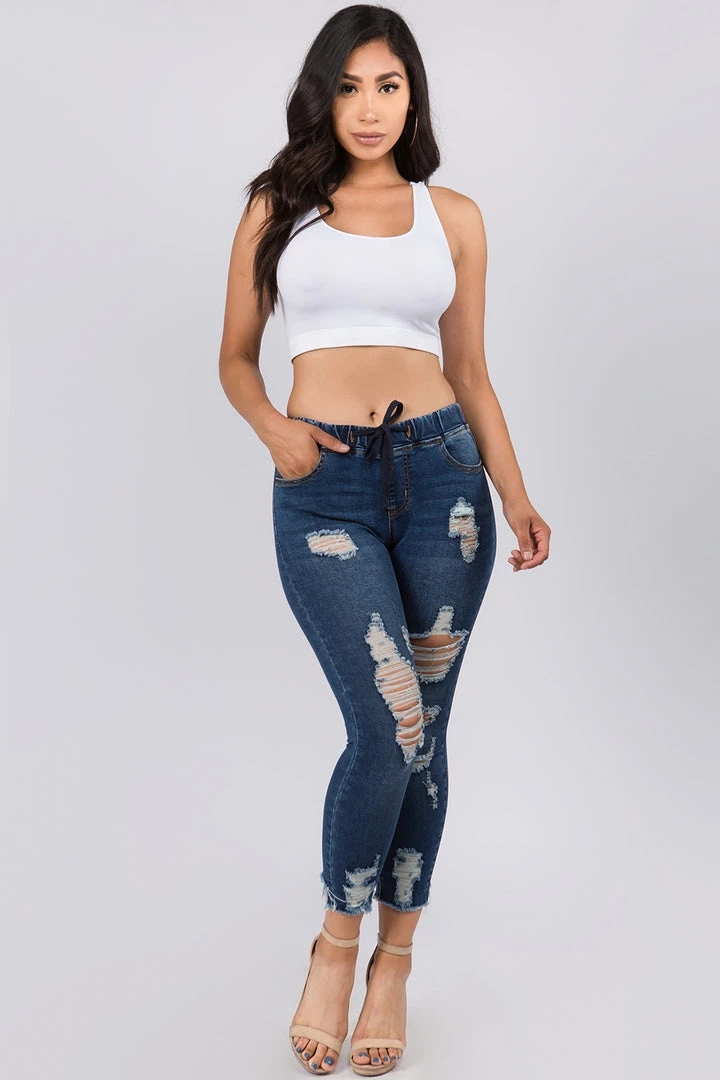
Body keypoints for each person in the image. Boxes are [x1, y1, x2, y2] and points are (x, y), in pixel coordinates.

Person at [219, 6, 550, 1075]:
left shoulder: (453, 216)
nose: (370, 108)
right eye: (351, 86)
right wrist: (275, 431)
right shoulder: (279, 208)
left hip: (445, 481)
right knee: (388, 723)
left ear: (414, 97)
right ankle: (336, 943)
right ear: (323, 97)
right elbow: (235, 358)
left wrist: (516, 494)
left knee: (427, 734)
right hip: (326, 490)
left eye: (389, 85)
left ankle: (393, 965)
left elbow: (473, 372)